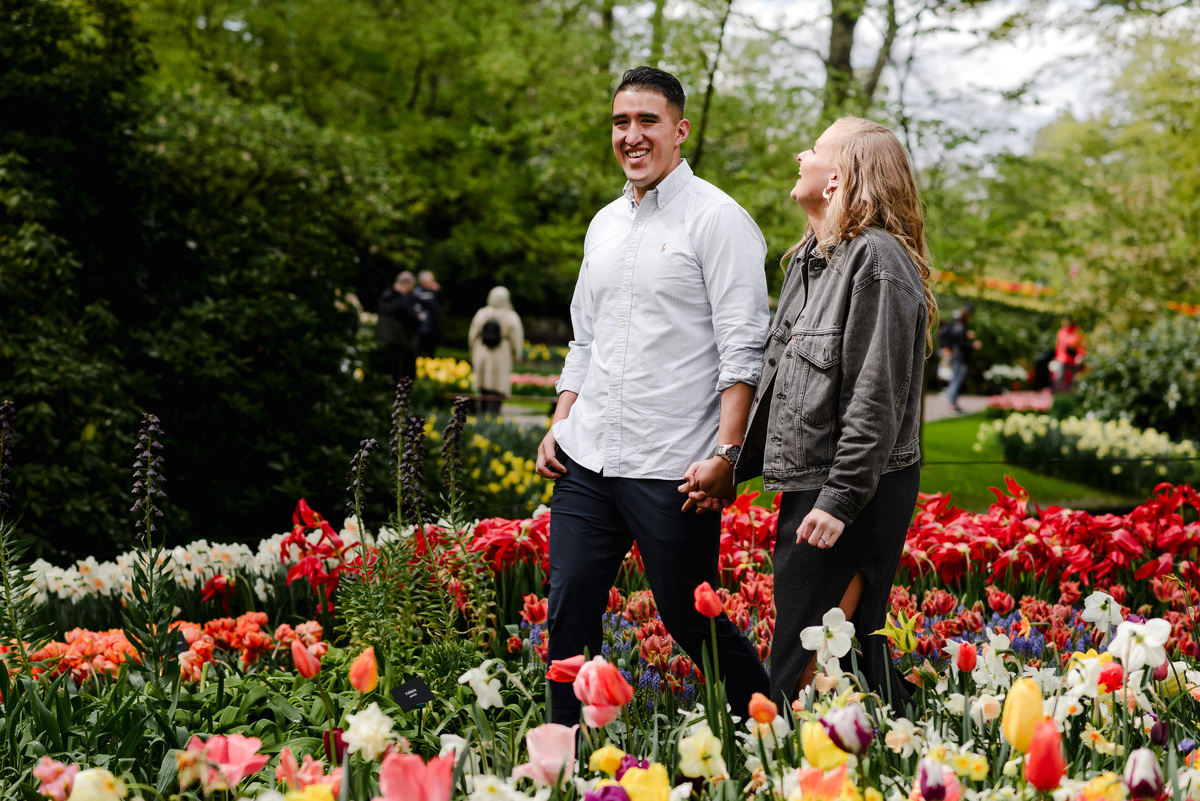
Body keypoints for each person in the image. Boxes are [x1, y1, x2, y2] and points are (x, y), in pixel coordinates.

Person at [534, 66, 771, 727]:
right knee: (570, 604)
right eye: (620, 122)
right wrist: (560, 421)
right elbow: (586, 338)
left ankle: (773, 731)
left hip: (671, 467)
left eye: (647, 121)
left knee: (690, 616)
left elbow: (743, 350)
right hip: (587, 462)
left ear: (679, 129)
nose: (631, 135)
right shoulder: (604, 224)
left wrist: (727, 453)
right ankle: (563, 754)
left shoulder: (719, 220)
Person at [704, 117, 938, 712]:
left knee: (802, 663)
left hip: (855, 491)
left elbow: (876, 396)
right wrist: (731, 464)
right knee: (854, 654)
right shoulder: (811, 258)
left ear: (838, 177)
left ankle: (778, 767)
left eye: (814, 148)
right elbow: (781, 376)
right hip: (817, 482)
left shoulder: (878, 263)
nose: (798, 154)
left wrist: (840, 500)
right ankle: (920, 753)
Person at [468, 286, 524, 415]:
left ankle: (482, 413)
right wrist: (516, 355)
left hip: (482, 351)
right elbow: (516, 339)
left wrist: (473, 350)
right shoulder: (511, 316)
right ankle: (493, 415)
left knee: (483, 386)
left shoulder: (481, 313)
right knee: (498, 386)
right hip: (501, 353)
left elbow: (472, 335)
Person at [375, 271, 421, 383]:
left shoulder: (384, 296)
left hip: (380, 338)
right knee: (396, 374)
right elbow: (414, 320)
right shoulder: (402, 300)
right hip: (398, 342)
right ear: (408, 285)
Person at [942, 304, 976, 413]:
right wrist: (972, 346)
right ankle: (952, 403)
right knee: (957, 380)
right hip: (960, 357)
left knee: (955, 379)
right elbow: (962, 344)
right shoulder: (961, 327)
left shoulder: (956, 325)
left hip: (956, 356)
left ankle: (952, 402)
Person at [413, 270, 444, 357]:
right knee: (421, 350)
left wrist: (438, 291)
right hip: (424, 327)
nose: (433, 282)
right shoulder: (418, 292)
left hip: (435, 326)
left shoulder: (435, 291)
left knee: (431, 351)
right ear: (425, 281)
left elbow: (440, 304)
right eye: (431, 280)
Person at [1052, 316, 1085, 392]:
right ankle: (1057, 392)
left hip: (1072, 359)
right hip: (1062, 358)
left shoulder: (1076, 332)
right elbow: (1059, 345)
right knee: (1060, 375)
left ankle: (1071, 392)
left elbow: (1080, 345)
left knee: (1072, 377)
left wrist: (1080, 355)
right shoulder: (1061, 332)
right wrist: (1056, 356)